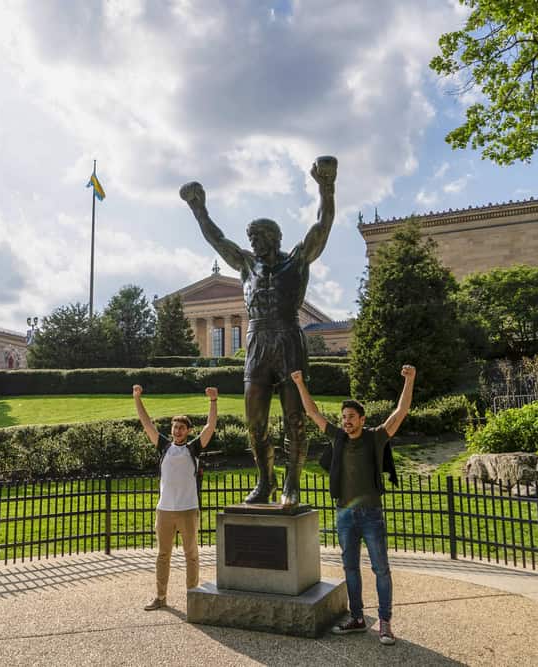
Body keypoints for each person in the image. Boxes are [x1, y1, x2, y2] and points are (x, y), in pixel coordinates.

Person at [179, 155, 337, 506]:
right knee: (255, 422)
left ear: (273, 237)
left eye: (257, 237)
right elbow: (217, 239)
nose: (252, 242)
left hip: (288, 338)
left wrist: (326, 185)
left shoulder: (296, 259)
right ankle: (266, 481)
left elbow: (322, 225)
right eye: (250, 237)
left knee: (295, 419)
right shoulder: (246, 264)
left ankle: (292, 484)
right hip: (256, 342)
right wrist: (198, 208)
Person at [291, 365, 416, 646]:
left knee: (381, 569)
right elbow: (313, 413)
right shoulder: (337, 437)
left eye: (350, 417)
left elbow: (401, 412)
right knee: (349, 568)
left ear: (361, 419)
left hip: (371, 514)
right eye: (343, 417)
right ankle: (358, 618)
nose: (345, 421)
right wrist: (299, 383)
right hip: (344, 514)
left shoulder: (376, 437)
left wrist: (410, 380)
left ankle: (385, 623)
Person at [133, 384, 218, 611]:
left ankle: (193, 596)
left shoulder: (193, 449)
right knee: (163, 555)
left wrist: (213, 401)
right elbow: (146, 423)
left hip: (189, 510)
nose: (177, 430)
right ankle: (160, 597)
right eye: (175, 427)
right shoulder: (164, 447)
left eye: (181, 427)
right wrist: (137, 398)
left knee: (191, 554)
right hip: (165, 511)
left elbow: (210, 427)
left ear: (188, 431)